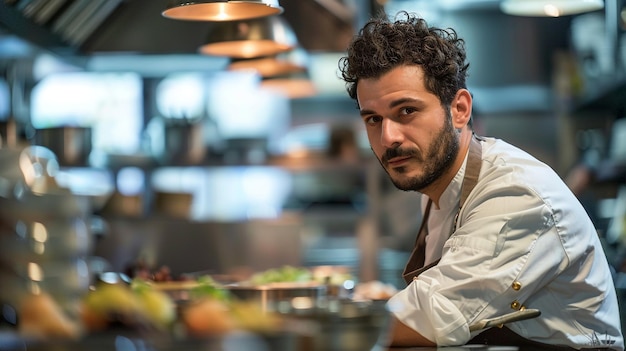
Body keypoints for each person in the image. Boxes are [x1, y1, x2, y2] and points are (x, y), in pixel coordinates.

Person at [338, 11, 624, 350]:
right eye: (373, 119)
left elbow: (433, 315)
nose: (388, 137)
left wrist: (311, 323)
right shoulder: (439, 187)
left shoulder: (514, 193)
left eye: (406, 111)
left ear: (459, 109)